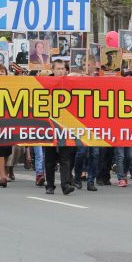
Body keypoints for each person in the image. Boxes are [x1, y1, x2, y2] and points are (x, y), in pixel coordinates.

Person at [44, 60, 75, 196]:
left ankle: (65, 184)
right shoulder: (46, 82)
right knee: (50, 157)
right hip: (50, 124)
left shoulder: (71, 82)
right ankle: (50, 185)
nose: (61, 71)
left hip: (66, 125)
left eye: (63, 68)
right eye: (58, 69)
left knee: (65, 156)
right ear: (53, 70)